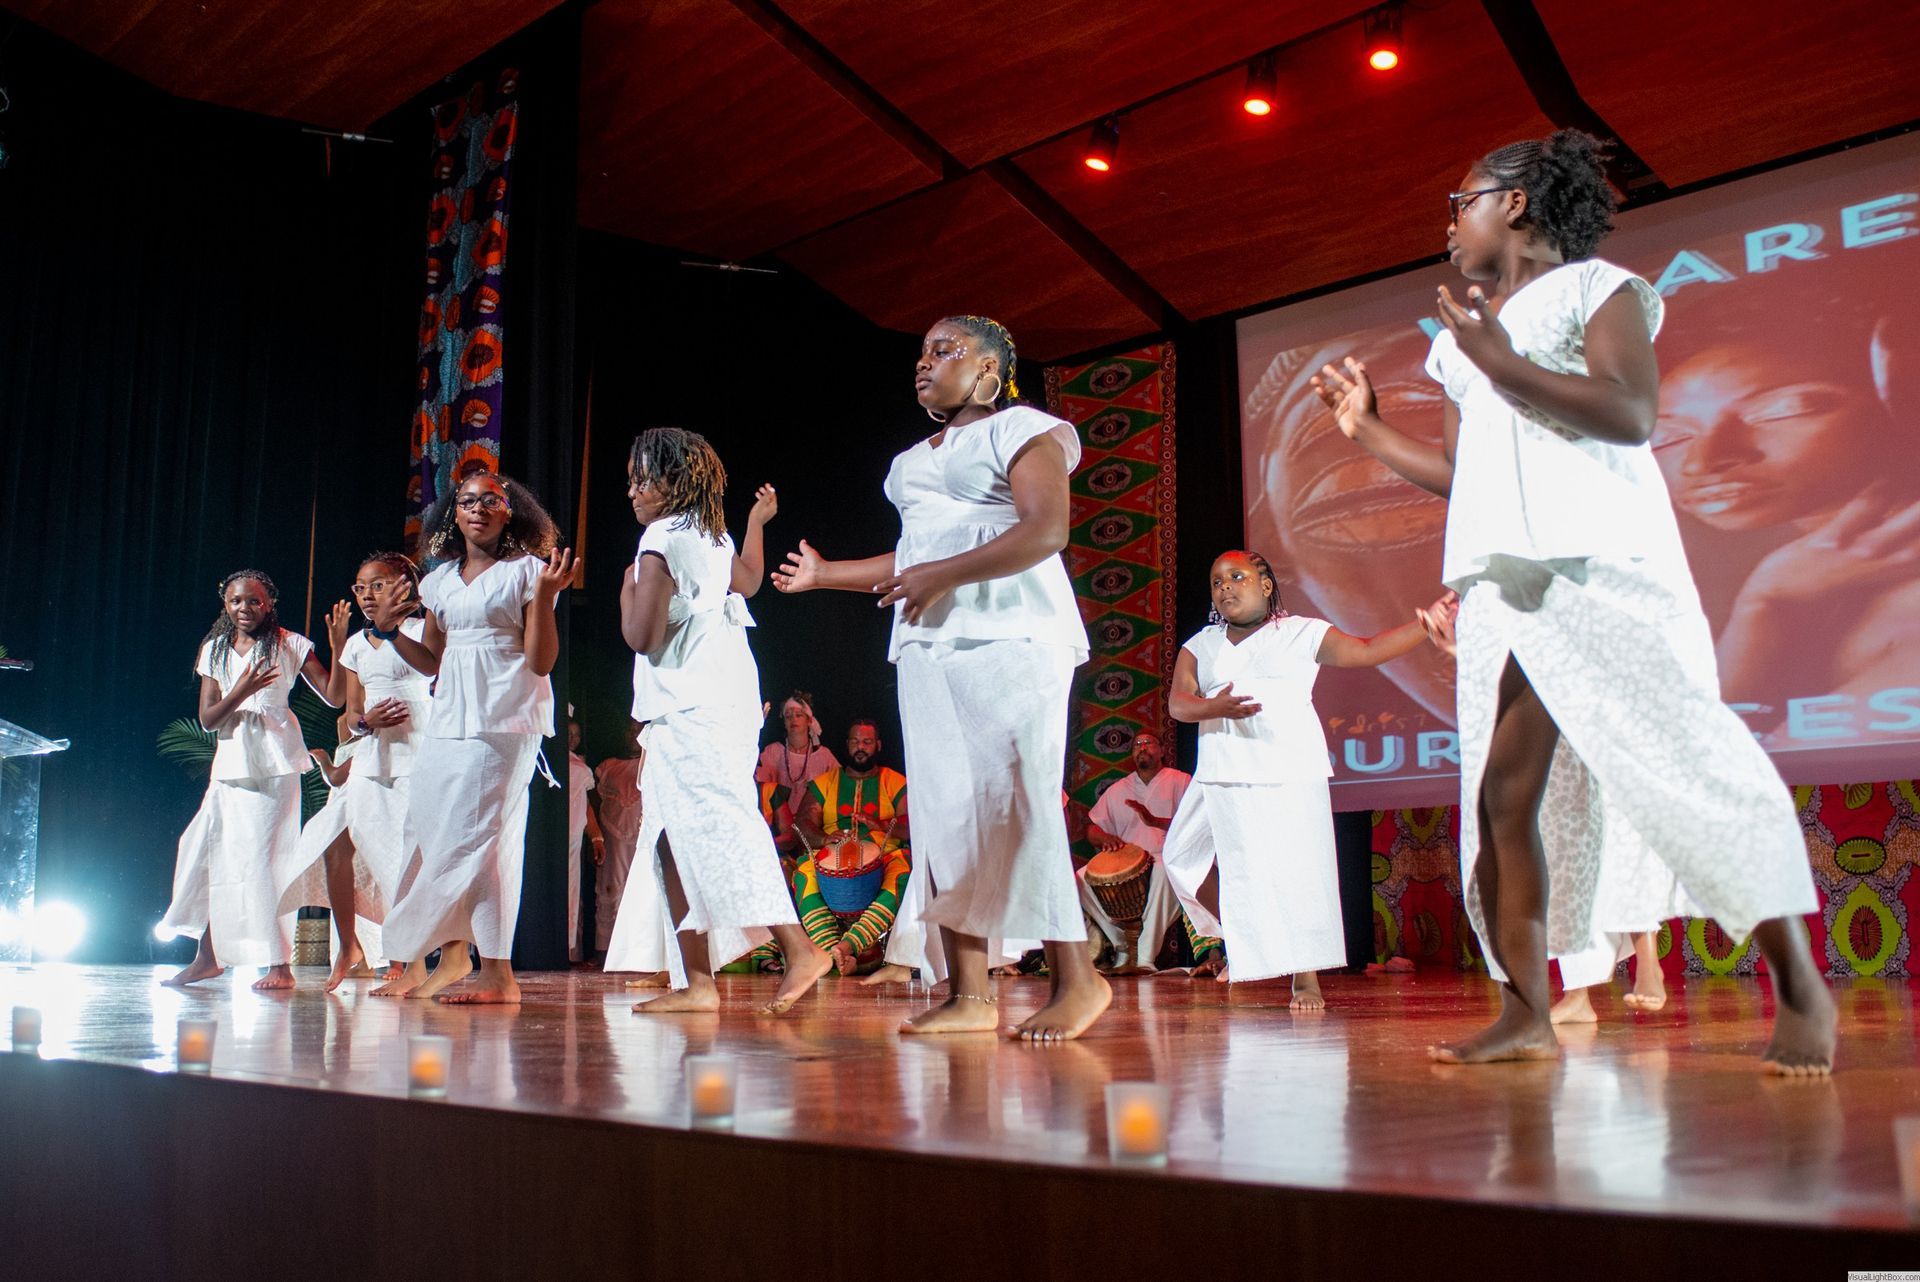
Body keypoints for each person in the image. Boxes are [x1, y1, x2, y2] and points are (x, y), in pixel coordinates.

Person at [1312, 128, 1832, 1072]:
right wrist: (1370, 434)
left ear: (1514, 202)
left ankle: (1801, 991)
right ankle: (1525, 1011)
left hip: (1599, 566)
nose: (1449, 224)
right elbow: (1467, 474)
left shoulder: (1599, 289)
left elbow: (1630, 413)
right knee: (1502, 802)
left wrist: (1499, 359)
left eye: (1462, 201)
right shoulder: (1460, 347)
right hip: (1502, 581)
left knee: (1691, 766)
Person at [775, 315, 1108, 1041]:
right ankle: (969, 993)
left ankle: (1078, 979)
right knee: (945, 814)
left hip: (1014, 631)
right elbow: (915, 555)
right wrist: (827, 574)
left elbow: (1046, 529)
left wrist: (943, 574)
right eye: (922, 352)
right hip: (928, 642)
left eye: (945, 350)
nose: (925, 362)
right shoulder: (908, 463)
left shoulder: (1023, 428)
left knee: (1020, 800)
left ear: (990, 369)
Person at [1162, 550, 1448, 1009]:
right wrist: (1214, 707)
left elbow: (1367, 649)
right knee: (1180, 856)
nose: (1225, 586)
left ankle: (1305, 976)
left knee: (1298, 872)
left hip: (1289, 766)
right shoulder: (1201, 645)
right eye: (1217, 581)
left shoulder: (1300, 633)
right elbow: (1179, 704)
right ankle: (1246, 937)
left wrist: (1424, 625)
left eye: (1237, 576)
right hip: (1220, 768)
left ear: (1266, 585)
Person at [617, 430, 830, 1015]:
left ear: (674, 482)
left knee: (724, 823)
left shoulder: (661, 538)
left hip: (694, 704)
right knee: (669, 841)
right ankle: (697, 982)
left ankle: (800, 948)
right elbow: (751, 581)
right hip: (717, 697)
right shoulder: (710, 534)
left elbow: (642, 636)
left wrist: (627, 588)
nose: (632, 491)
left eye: (642, 479)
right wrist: (757, 522)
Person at [372, 469, 571, 1004]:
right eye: (466, 501)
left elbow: (541, 661)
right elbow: (431, 660)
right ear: (453, 513)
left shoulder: (529, 572)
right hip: (449, 718)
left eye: (490, 500)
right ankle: (459, 955)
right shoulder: (438, 581)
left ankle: (490, 970)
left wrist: (545, 599)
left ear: (510, 512)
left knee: (478, 838)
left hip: (505, 717)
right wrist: (389, 634)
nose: (478, 508)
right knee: (434, 833)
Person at [160, 569, 340, 989]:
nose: (245, 608)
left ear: (270, 603)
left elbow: (334, 697)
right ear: (225, 604)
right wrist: (240, 690)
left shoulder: (290, 644)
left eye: (254, 600)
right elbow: (208, 720)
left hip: (274, 768)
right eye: (236, 601)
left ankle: (279, 965)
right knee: (207, 854)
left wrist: (337, 645)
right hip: (229, 767)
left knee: (263, 862)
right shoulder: (215, 650)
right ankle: (208, 957)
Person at [277, 552, 431, 990]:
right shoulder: (356, 645)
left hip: (417, 749)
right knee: (333, 845)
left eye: (377, 585)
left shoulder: (421, 630)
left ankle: (407, 957)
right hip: (370, 753)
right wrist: (365, 722)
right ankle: (349, 947)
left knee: (402, 857)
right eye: (361, 587)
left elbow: (433, 670)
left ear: (404, 584)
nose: (366, 595)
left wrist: (392, 629)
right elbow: (350, 714)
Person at [792, 718, 912, 976]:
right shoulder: (825, 783)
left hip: (884, 856)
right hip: (829, 855)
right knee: (803, 872)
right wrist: (824, 839)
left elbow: (913, 824)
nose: (861, 747)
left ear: (878, 745)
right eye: (855, 741)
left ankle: (849, 945)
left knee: (903, 870)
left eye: (867, 742)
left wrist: (881, 824)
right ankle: (831, 954)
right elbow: (803, 822)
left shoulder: (894, 782)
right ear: (847, 744)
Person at [1079, 731, 1189, 973]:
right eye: (1137, 744)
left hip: (1164, 855)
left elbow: (1196, 823)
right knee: (1079, 879)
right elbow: (1092, 828)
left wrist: (1155, 821)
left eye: (1149, 742)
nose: (1142, 747)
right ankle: (1122, 945)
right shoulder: (1119, 789)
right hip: (1126, 859)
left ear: (1162, 750)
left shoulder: (1180, 782)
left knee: (1166, 871)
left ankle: (1145, 958)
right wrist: (1105, 838)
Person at [595, 718, 645, 955]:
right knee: (611, 887)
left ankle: (639, 949)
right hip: (613, 837)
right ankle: (607, 950)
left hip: (642, 835)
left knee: (641, 889)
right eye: (630, 729)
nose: (633, 734)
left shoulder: (650, 763)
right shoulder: (609, 765)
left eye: (638, 729)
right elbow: (594, 801)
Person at [756, 691, 839, 817]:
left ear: (809, 720)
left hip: (812, 823)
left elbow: (839, 788)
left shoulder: (824, 756)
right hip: (779, 822)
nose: (793, 719)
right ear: (784, 722)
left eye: (799, 715)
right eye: (788, 716)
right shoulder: (773, 751)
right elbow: (760, 786)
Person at [565, 716, 604, 963]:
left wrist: (596, 837)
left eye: (577, 735)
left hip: (573, 837)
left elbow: (586, 804)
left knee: (572, 891)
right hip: (555, 837)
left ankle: (570, 949)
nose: (573, 739)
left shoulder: (580, 767)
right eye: (568, 734)